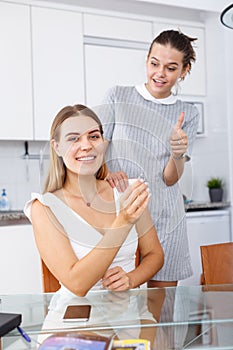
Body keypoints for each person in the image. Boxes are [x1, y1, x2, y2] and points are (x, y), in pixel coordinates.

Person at [24, 104, 164, 297]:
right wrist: (123, 221)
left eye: (94, 136)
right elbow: (77, 284)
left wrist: (132, 279)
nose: (86, 145)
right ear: (57, 147)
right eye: (73, 138)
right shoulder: (45, 208)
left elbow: (155, 255)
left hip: (129, 312)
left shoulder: (126, 191)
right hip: (76, 318)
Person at [97, 29, 200, 288]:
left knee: (162, 315)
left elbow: (169, 178)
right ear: (147, 60)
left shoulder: (188, 113)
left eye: (171, 68)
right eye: (155, 63)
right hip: (120, 216)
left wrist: (177, 153)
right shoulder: (117, 97)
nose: (160, 74)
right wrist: (106, 172)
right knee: (116, 304)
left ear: (184, 71)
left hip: (165, 218)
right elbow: (96, 152)